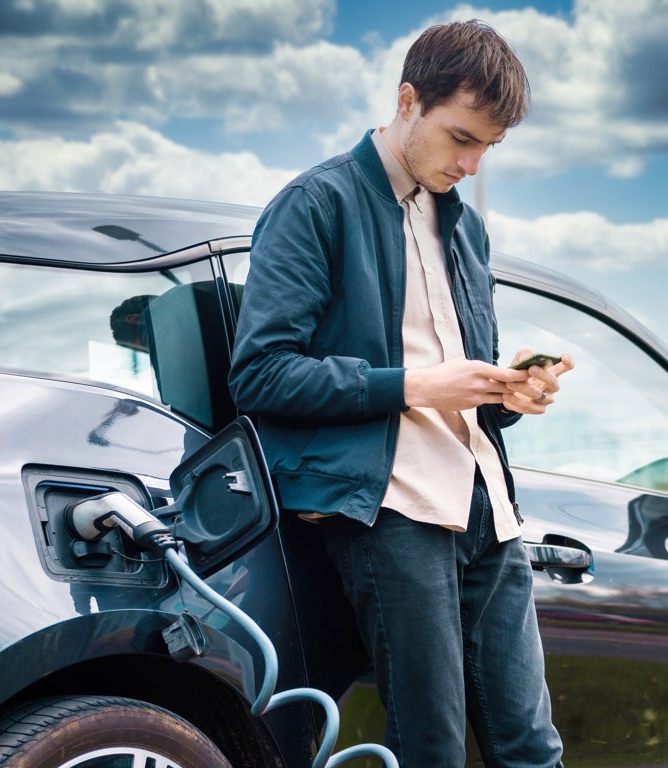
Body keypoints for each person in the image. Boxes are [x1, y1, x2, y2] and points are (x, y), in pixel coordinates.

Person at [227, 19, 570, 768]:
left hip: (487, 506)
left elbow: (460, 386)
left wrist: (507, 394)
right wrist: (417, 385)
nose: (473, 163)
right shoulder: (314, 204)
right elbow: (259, 373)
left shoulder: (466, 230)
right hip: (392, 510)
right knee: (431, 752)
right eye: (460, 138)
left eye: (489, 148)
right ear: (408, 100)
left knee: (533, 750)